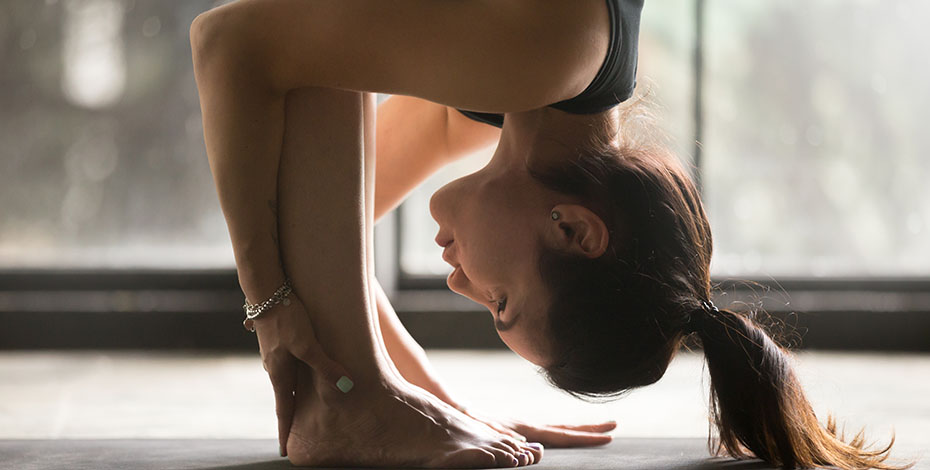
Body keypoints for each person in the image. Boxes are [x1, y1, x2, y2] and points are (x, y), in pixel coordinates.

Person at [189, 0, 915, 469]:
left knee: (316, 53)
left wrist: (425, 398)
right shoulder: (546, 49)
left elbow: (316, 226)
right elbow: (231, 41)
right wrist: (268, 301)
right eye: (500, 301)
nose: (458, 284)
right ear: (572, 228)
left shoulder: (524, 89)